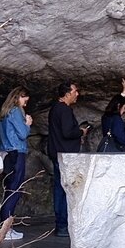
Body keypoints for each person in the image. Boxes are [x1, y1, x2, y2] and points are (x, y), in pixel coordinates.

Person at [45, 81, 88, 238]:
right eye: (75, 91)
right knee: (64, 190)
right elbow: (68, 132)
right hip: (65, 155)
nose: (78, 94)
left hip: (57, 152)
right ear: (67, 93)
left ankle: (61, 224)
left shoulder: (55, 109)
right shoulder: (64, 110)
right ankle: (63, 225)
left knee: (60, 188)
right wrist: (80, 132)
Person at [0, 86, 32, 241]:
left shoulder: (5, 113)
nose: (26, 102)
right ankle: (6, 228)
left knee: (9, 189)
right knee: (15, 189)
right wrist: (28, 123)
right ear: (18, 97)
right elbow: (23, 134)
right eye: (24, 99)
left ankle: (5, 226)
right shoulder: (16, 111)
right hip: (17, 152)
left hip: (7, 153)